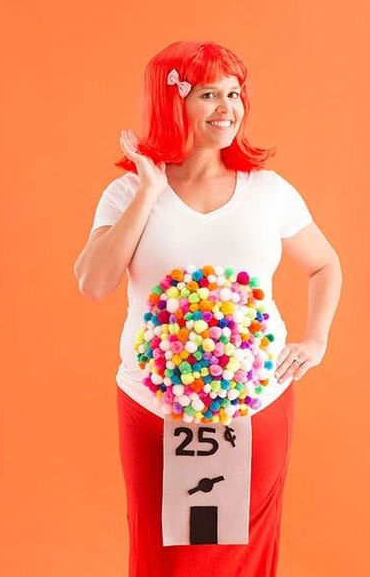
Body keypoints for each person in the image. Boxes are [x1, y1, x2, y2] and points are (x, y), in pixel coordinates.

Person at [73, 40, 342, 576]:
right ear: (172, 103)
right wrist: (149, 189)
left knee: (241, 552)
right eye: (209, 94)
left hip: (256, 406)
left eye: (234, 94)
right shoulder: (127, 192)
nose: (227, 107)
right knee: (164, 552)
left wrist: (316, 340)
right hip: (153, 407)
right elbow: (94, 283)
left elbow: (325, 265)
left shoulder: (268, 192)